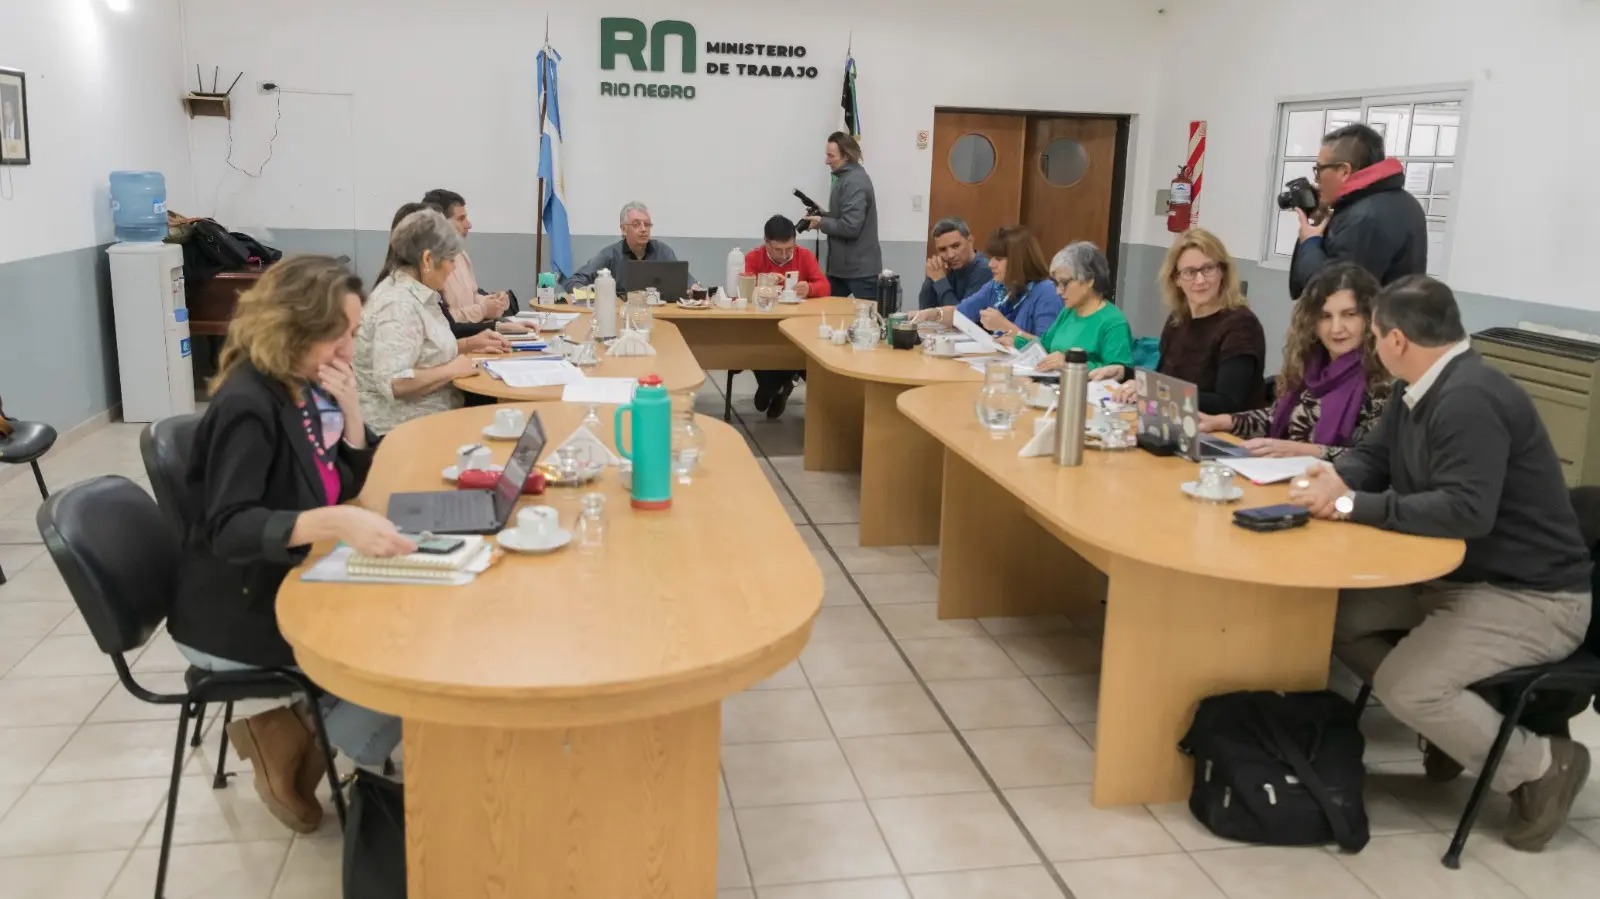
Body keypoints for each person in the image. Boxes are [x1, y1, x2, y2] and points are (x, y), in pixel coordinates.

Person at [1290, 275, 1593, 853]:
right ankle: (1458, 732)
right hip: (1459, 578)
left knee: (1409, 687)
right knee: (1330, 619)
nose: (1370, 344)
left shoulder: (1470, 397)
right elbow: (1373, 458)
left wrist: (1352, 504)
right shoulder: (1420, 388)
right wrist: (1330, 481)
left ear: (1398, 339)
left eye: (1375, 333)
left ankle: (1540, 766)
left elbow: (1465, 510)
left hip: (1533, 598)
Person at [170, 255, 411, 834]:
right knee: (403, 663)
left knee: (409, 624)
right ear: (295, 326)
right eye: (341, 335)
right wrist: (334, 525)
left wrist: (352, 410)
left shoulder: (298, 388)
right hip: (236, 610)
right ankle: (300, 731)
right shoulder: (248, 403)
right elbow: (231, 527)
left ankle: (302, 726)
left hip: (281, 577)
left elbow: (338, 484)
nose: (350, 351)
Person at [1198, 263, 1391, 460]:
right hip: (1289, 479)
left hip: (1338, 486)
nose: (1336, 328)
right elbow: (1275, 417)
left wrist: (1302, 451)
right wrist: (1222, 421)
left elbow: (1375, 461)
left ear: (1370, 318)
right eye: (1325, 316)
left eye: (1349, 315)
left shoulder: (1383, 379)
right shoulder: (1311, 365)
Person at [353, 208, 483, 434]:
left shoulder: (418, 294)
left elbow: (424, 350)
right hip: (403, 428)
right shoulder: (398, 304)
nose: (453, 269)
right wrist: (452, 370)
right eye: (451, 260)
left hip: (434, 414)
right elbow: (395, 382)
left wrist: (468, 346)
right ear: (427, 259)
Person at [1110, 229, 1266, 414]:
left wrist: (1152, 390)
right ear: (1176, 278)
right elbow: (1166, 380)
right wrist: (1124, 373)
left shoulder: (1241, 326)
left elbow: (1227, 403)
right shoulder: (1178, 319)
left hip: (1223, 435)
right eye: (1190, 272)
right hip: (1177, 423)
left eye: (1208, 269)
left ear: (1222, 271)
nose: (1200, 280)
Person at [1289, 123, 1428, 298]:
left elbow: (1332, 293)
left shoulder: (1361, 217)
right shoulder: (1406, 203)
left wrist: (1310, 243)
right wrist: (1323, 228)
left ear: (1344, 171)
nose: (1316, 181)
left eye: (1319, 170)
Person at [379, 202, 517, 344]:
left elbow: (449, 329)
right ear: (426, 257)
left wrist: (496, 328)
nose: (452, 268)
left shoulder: (423, 290)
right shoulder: (397, 300)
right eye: (447, 259)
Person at [743, 215, 827, 418]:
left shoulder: (804, 256)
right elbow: (742, 289)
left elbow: (825, 286)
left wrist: (810, 288)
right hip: (761, 328)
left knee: (798, 348)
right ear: (766, 243)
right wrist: (764, 283)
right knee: (753, 342)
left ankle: (779, 385)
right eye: (777, 250)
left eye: (789, 249)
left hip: (798, 325)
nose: (783, 255)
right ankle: (776, 385)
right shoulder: (754, 257)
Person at [910, 226, 1061, 340]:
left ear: (1020, 262)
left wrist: (1005, 327)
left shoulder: (1046, 291)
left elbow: (1046, 347)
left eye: (999, 259)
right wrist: (932, 314)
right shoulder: (996, 286)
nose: (991, 264)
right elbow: (961, 313)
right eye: (992, 257)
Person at [1030, 242, 1133, 377]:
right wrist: (1014, 340)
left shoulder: (1113, 322)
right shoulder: (1068, 312)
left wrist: (1070, 363)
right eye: (1056, 283)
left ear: (1089, 280)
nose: (1058, 291)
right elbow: (1043, 346)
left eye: (1064, 283)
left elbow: (1117, 372)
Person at [801, 132, 882, 299]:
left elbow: (851, 227)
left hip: (859, 273)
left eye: (831, 156)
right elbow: (844, 217)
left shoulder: (854, 182)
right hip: (843, 269)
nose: (826, 161)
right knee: (829, 315)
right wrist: (822, 215)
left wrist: (821, 222)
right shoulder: (847, 179)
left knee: (868, 322)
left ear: (846, 155)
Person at [421, 188, 511, 324]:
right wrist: (482, 310)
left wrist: (494, 301)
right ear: (440, 223)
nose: (468, 225)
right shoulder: (427, 263)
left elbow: (473, 296)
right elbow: (441, 319)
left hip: (472, 334)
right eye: (461, 219)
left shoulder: (461, 254)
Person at [565, 202, 700, 290]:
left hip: (659, 314)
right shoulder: (609, 255)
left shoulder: (663, 252)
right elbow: (574, 280)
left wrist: (694, 287)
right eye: (636, 225)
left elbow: (683, 279)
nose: (643, 229)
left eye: (647, 224)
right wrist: (587, 292)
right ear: (623, 229)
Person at [918, 218, 992, 311]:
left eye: (956, 246)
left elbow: (961, 316)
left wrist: (940, 280)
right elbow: (925, 310)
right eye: (942, 249)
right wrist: (931, 277)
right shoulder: (945, 268)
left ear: (970, 241)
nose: (950, 255)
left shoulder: (984, 269)